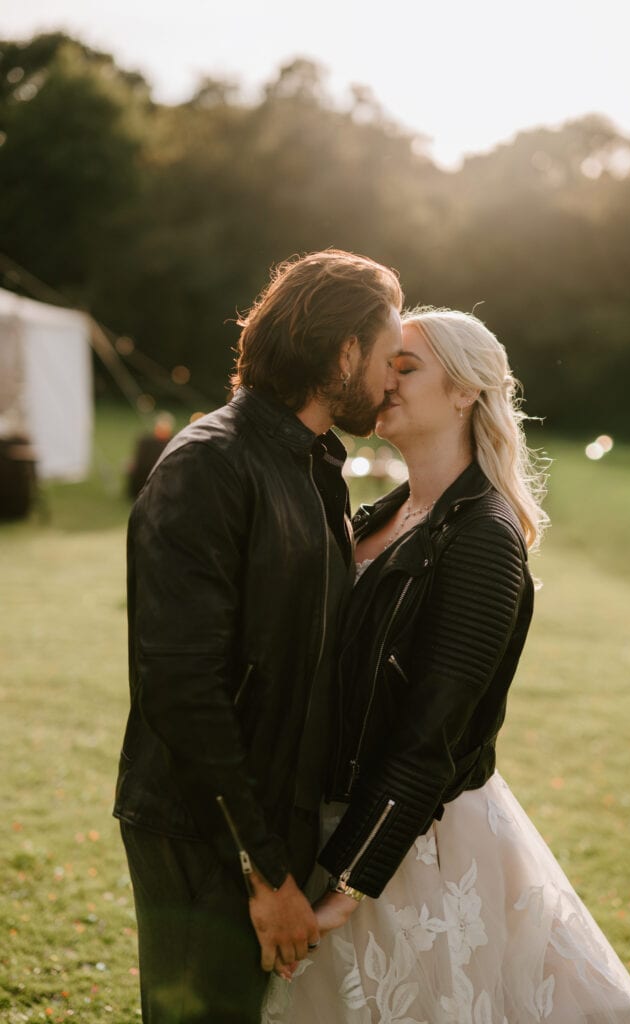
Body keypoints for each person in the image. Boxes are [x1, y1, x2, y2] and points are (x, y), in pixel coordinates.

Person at [263, 309, 630, 1023]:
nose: (382, 380)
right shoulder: (380, 512)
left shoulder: (482, 537)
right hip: (328, 819)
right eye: (383, 363)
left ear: (465, 390)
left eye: (404, 367)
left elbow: (430, 735)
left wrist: (343, 893)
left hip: (413, 849)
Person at [113, 249, 404, 1023]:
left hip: (276, 822)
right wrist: (263, 872)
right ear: (343, 353)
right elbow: (181, 687)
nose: (388, 382)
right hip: (202, 832)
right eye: (385, 358)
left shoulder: (316, 469)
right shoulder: (209, 465)